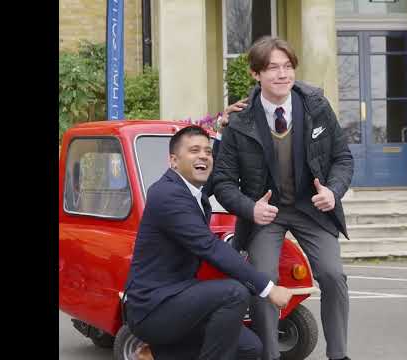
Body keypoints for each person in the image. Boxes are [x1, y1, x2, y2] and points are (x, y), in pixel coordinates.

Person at [213, 36, 354, 360]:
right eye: (273, 67)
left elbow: (343, 158)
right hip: (267, 214)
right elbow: (222, 181)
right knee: (264, 279)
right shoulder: (239, 121)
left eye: (287, 66)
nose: (282, 74)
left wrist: (332, 191)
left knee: (333, 275)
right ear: (256, 74)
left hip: (312, 209)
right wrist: (251, 208)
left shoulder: (317, 106)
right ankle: (270, 354)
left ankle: (339, 354)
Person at [123, 124, 293, 360]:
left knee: (249, 348)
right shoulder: (167, 195)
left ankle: (159, 354)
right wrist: (269, 288)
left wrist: (225, 129)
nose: (203, 155)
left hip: (181, 298)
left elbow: (216, 173)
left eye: (207, 151)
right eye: (194, 150)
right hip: (152, 307)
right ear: (173, 161)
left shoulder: (192, 190)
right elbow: (209, 247)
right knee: (234, 292)